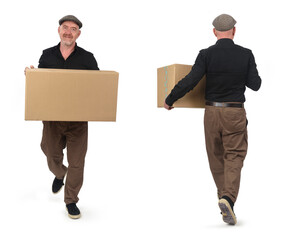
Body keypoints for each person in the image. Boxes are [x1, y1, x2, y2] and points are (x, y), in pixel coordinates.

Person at [164, 14, 261, 225]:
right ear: (234, 31)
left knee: (216, 155)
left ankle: (223, 196)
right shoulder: (246, 54)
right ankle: (228, 198)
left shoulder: (206, 54)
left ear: (215, 32)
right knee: (234, 156)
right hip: (234, 112)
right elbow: (256, 84)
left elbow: (191, 80)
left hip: (211, 112)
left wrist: (170, 99)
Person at [25, 15, 99, 219]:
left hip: (78, 120)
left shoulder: (87, 58)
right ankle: (59, 173)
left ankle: (71, 201)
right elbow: (41, 83)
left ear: (78, 34)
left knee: (77, 162)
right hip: (52, 118)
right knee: (50, 152)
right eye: (65, 27)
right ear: (59, 30)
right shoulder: (47, 55)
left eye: (73, 29)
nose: (68, 31)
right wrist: (31, 75)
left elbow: (99, 86)